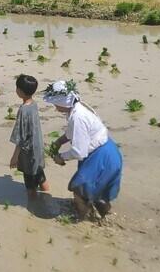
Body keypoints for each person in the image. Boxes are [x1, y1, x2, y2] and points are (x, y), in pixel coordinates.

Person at [44, 80, 123, 220]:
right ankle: (102, 220)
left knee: (79, 191)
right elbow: (71, 132)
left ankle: (82, 221)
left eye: (55, 104)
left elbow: (79, 152)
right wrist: (59, 141)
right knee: (99, 195)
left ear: (63, 102)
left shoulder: (78, 117)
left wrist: (61, 157)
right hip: (109, 151)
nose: (55, 108)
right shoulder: (77, 108)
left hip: (101, 157)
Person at [9, 74, 49, 199]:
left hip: (28, 153)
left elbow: (20, 137)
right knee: (40, 175)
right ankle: (46, 196)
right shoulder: (34, 104)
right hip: (37, 148)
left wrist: (14, 157)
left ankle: (34, 204)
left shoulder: (23, 110)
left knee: (30, 184)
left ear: (19, 91)